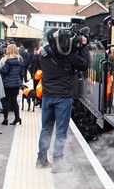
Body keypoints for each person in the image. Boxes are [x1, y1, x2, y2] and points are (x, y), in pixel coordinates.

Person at [36, 29, 89, 172]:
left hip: (47, 96)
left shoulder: (44, 53)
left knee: (46, 129)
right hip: (63, 97)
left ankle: (41, 160)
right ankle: (58, 163)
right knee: (61, 131)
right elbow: (84, 65)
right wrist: (83, 46)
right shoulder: (70, 56)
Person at [0, 44, 25, 126]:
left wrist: (1, 66)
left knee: (5, 101)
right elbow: (22, 73)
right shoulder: (20, 59)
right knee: (14, 100)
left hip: (6, 83)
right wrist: (21, 82)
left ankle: (5, 119)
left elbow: (5, 71)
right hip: (16, 83)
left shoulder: (6, 60)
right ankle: (17, 118)